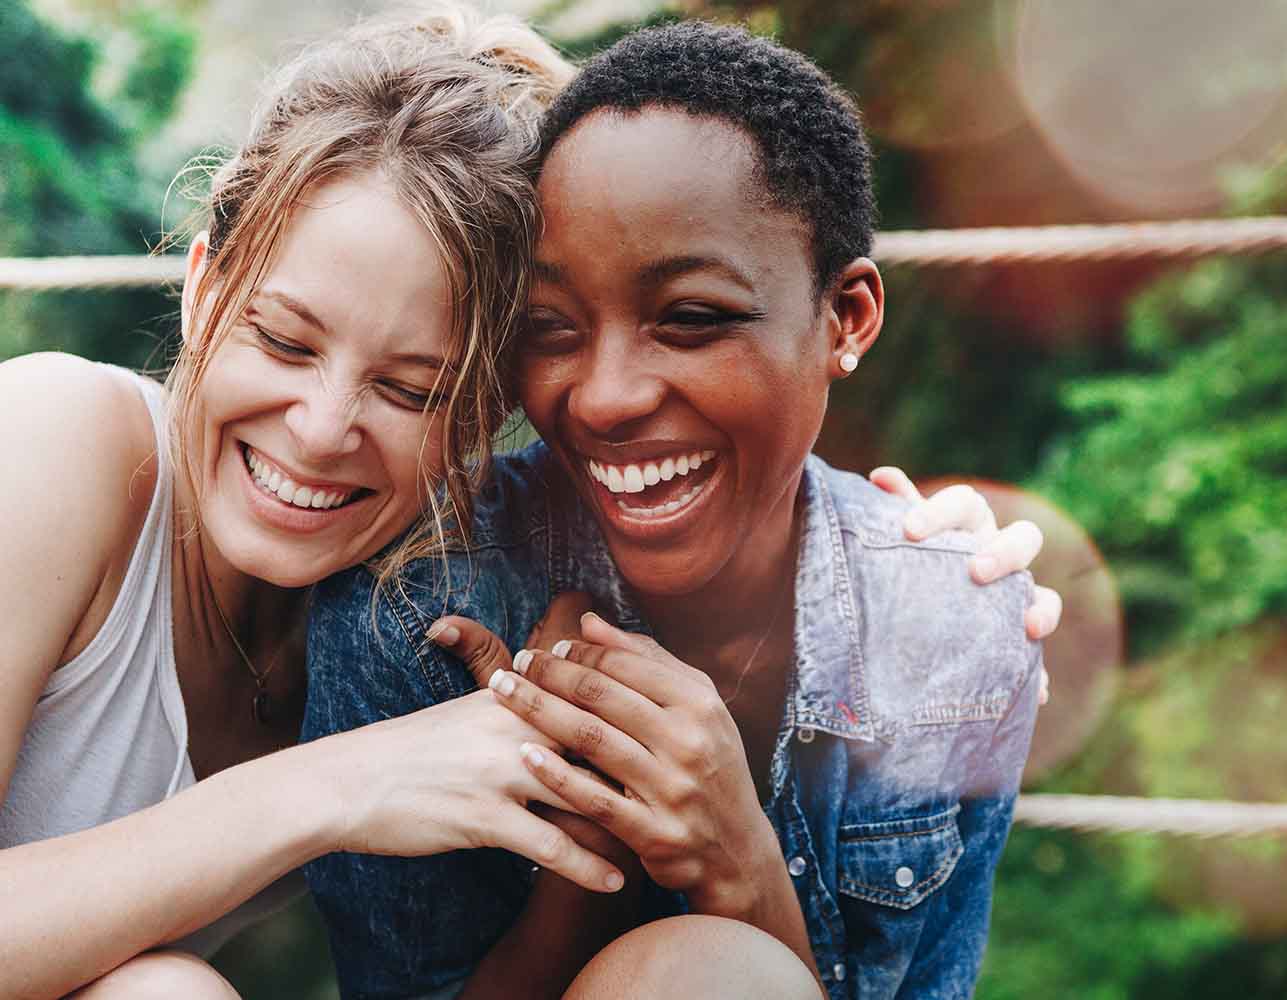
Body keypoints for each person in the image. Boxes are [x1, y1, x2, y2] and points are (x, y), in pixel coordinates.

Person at [0, 8, 1052, 997]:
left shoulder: (410, 594)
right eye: (282, 338)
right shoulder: (58, 439)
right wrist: (331, 786)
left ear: (488, 412)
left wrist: (910, 569)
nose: (320, 427)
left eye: (412, 389)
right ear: (201, 286)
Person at [303, 21, 1041, 1000]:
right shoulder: (416, 609)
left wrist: (738, 862)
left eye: (690, 318)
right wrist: (583, 861)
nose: (604, 396)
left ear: (845, 318)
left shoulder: (957, 630)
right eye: (549, 327)